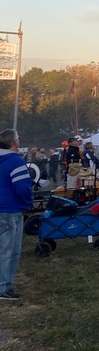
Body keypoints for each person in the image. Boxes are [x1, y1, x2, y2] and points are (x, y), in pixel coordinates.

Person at [0, 129, 32, 301]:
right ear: (14, 142)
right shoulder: (15, 162)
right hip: (10, 211)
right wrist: (27, 203)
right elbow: (23, 188)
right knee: (9, 250)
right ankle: (4, 287)